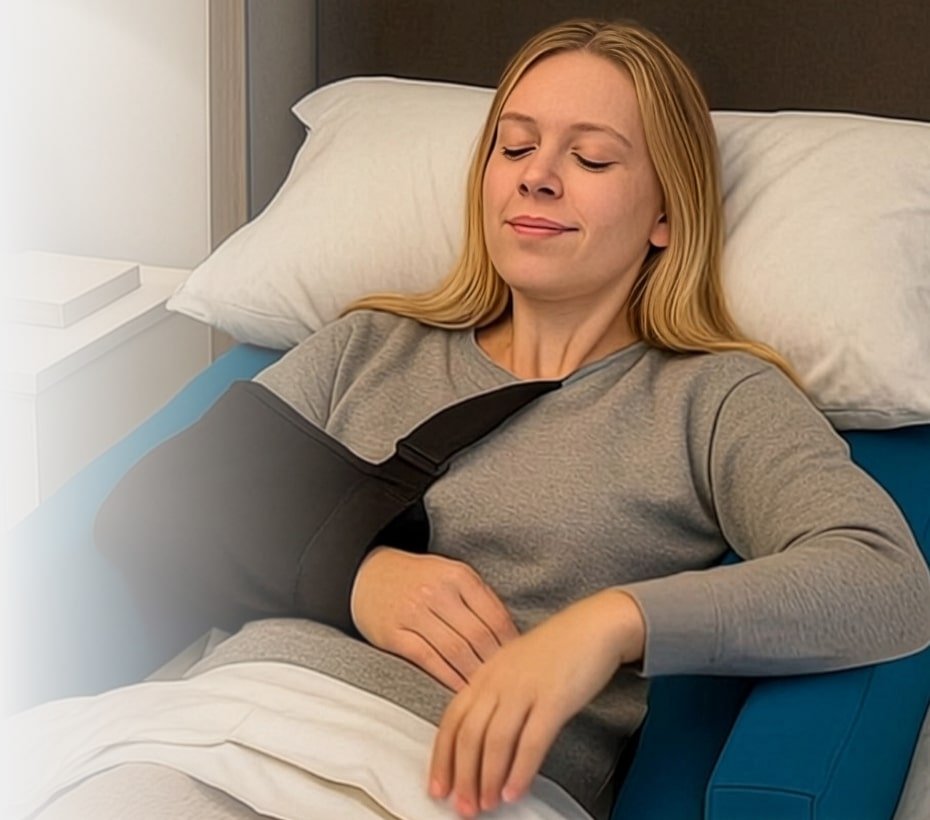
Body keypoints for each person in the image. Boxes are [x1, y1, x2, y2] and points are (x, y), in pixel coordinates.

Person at [6, 17, 930, 820]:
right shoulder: (371, 342)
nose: (538, 178)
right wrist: (357, 575)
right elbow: (156, 507)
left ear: (666, 213)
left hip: (443, 784)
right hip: (210, 734)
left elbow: (883, 579)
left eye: (593, 156)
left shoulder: (712, 397)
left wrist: (610, 624)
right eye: (514, 147)